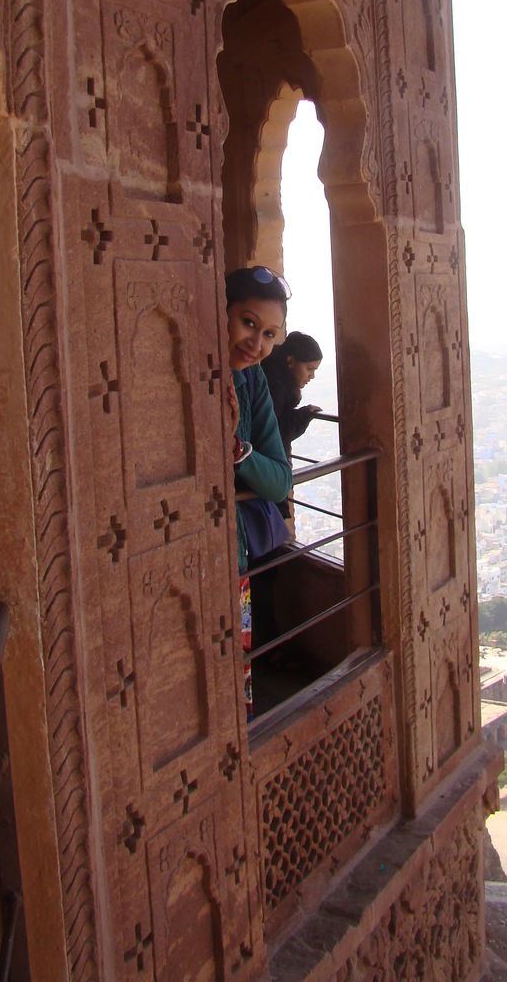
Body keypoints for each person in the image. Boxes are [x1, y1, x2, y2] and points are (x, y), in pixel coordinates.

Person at [224, 266, 293, 719]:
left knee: (235, 669)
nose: (257, 343)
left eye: (269, 334)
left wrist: (240, 454)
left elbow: (280, 480)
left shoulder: (252, 380)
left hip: (235, 555)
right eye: (248, 323)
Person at [261, 331, 324, 463]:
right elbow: (274, 433)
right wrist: (304, 415)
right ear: (290, 361)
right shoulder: (274, 386)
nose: (312, 376)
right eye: (309, 369)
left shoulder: (273, 377)